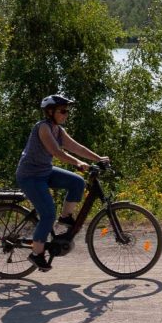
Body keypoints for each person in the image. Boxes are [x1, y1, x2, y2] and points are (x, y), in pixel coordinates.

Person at [15, 94, 109, 272]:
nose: (66, 114)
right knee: (48, 214)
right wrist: (78, 163)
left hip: (44, 171)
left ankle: (65, 217)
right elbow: (57, 152)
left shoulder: (57, 129)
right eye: (63, 111)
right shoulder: (43, 128)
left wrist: (98, 159)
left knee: (77, 182)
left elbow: (76, 147)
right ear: (50, 112)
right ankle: (36, 254)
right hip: (30, 176)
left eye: (67, 111)